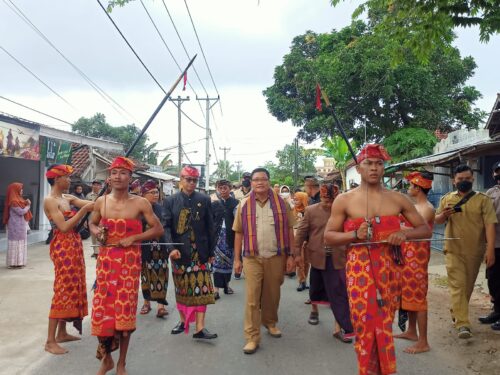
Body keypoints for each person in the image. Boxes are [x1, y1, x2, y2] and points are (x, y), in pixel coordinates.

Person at [324, 144, 431, 375]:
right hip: (359, 271)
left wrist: (404, 233)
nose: (374, 168)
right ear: (359, 169)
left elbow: (424, 230)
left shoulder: (398, 199)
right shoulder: (344, 200)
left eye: (378, 163)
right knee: (364, 325)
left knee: (384, 323)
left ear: (384, 168)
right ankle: (367, 370)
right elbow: (329, 237)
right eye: (368, 164)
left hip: (389, 271)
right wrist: (354, 235)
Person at [90, 157, 163, 375]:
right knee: (103, 313)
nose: (117, 177)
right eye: (113, 173)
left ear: (130, 177)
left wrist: (135, 238)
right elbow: (92, 223)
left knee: (124, 315)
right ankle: (107, 359)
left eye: (122, 173)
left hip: (129, 267)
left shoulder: (141, 203)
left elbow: (157, 229)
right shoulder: (101, 202)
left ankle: (122, 362)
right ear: (109, 177)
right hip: (106, 264)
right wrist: (97, 232)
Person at [233, 167, 296, 354]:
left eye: (263, 179)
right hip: (252, 257)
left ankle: (270, 322)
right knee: (252, 298)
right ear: (251, 183)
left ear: (268, 181)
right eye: (256, 180)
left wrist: (292, 255)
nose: (259, 182)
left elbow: (291, 230)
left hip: (276, 256)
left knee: (272, 294)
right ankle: (252, 337)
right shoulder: (243, 204)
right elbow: (238, 233)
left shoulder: (282, 204)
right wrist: (237, 259)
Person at [435, 164, 497, 339]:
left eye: (467, 179)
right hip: (453, 250)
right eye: (460, 179)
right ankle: (463, 324)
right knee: (458, 285)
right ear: (454, 180)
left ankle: (457, 310)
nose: (464, 182)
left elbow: (490, 225)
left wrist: (490, 249)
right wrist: (443, 216)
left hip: (475, 251)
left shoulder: (483, 200)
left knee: (467, 286)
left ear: (472, 179)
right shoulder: (447, 199)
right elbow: (437, 220)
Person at [43, 164, 94, 355]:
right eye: (67, 177)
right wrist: (83, 211)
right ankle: (50, 341)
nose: (70, 181)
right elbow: (63, 227)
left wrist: (109, 190)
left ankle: (62, 333)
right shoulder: (50, 201)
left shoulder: (68, 197)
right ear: (57, 179)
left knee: (73, 286)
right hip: (62, 246)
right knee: (62, 289)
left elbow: (94, 205)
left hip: (74, 244)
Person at [294, 181, 354, 343]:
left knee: (339, 293)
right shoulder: (311, 211)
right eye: (326, 200)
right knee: (316, 289)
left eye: (333, 200)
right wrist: (296, 254)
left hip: (339, 258)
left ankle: (339, 327)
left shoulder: (345, 212)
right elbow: (301, 233)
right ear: (321, 197)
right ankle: (314, 310)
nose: (330, 203)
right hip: (317, 256)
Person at [163, 165, 217, 340]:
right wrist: (171, 249)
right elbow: (166, 228)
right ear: (181, 179)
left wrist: (211, 251)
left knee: (202, 289)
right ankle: (183, 320)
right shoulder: (170, 201)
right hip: (180, 252)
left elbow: (210, 227)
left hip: (200, 252)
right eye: (188, 179)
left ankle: (200, 328)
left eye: (195, 180)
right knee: (182, 289)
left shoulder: (204, 199)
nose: (192, 183)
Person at [394, 172, 435, 354]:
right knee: (407, 294)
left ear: (418, 188)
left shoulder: (427, 208)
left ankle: (423, 341)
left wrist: (391, 225)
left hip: (417, 258)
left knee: (418, 297)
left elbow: (417, 230)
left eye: (410, 186)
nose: (408, 189)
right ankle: (411, 331)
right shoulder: (414, 206)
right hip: (405, 255)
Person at [139, 180, 169, 318]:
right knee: (145, 276)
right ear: (144, 194)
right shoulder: (138, 209)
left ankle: (161, 306)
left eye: (157, 192)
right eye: (152, 193)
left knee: (161, 275)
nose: (155, 195)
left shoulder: (162, 208)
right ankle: (146, 303)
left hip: (160, 248)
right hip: (144, 247)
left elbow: (167, 227)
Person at [212, 179, 239, 299]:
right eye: (220, 188)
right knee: (216, 264)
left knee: (228, 263)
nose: (223, 190)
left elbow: (239, 222)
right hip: (217, 237)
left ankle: (227, 286)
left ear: (230, 189)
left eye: (225, 188)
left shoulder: (236, 203)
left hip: (230, 236)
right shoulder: (214, 204)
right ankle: (216, 290)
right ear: (217, 189)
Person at [482, 161, 500, 330]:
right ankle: (497, 311)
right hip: (495, 244)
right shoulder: (490, 193)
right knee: (493, 280)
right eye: (498, 171)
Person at [3, 182, 32, 268]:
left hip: (20, 225)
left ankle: (19, 262)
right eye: (20, 189)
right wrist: (28, 206)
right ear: (15, 190)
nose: (22, 190)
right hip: (15, 226)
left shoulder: (19, 199)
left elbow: (22, 205)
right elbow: (21, 212)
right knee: (15, 243)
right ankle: (13, 263)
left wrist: (25, 203)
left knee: (20, 243)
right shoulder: (13, 201)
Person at [293, 191, 310, 291]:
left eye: (297, 199)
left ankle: (305, 280)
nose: (295, 201)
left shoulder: (309, 211)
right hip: (296, 238)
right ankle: (301, 281)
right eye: (294, 199)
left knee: (306, 262)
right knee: (299, 260)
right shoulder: (292, 210)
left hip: (307, 238)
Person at [86, 180, 103, 259]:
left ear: (100, 186)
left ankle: (100, 250)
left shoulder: (103, 195)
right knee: (93, 235)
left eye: (98, 185)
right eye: (94, 185)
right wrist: (85, 220)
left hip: (101, 218)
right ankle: (96, 252)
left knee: (101, 234)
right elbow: (85, 208)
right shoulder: (88, 196)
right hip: (91, 218)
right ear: (92, 186)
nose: (96, 186)